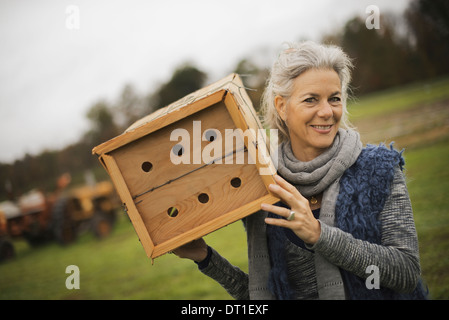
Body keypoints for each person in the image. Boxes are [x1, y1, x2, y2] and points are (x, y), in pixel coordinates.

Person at [173, 41, 428, 300]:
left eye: (335, 99)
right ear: (282, 107)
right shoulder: (264, 185)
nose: (327, 111)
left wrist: (319, 235)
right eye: (311, 100)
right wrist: (206, 258)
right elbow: (268, 294)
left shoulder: (379, 169)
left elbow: (406, 272)